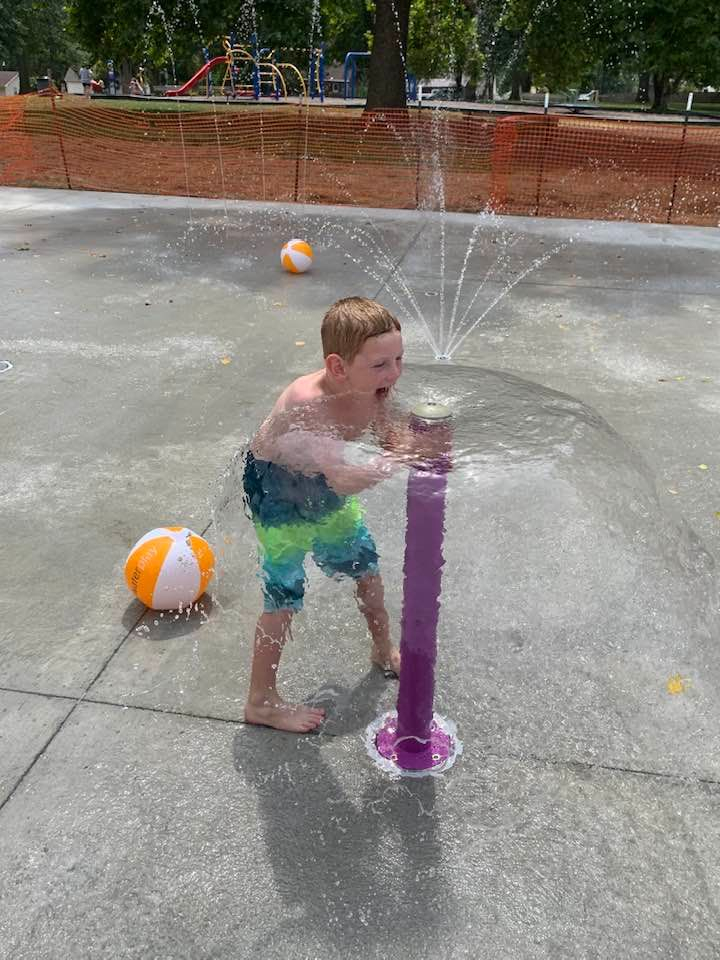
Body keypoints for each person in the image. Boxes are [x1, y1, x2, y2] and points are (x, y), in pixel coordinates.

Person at [243, 297, 410, 733]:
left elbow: (391, 436)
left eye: (398, 359)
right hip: (277, 490)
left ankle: (382, 649)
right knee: (283, 592)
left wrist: (410, 444)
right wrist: (403, 458)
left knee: (366, 568)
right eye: (380, 365)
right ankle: (260, 701)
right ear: (338, 367)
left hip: (320, 484)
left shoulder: (375, 391)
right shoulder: (308, 404)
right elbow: (345, 481)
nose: (392, 374)